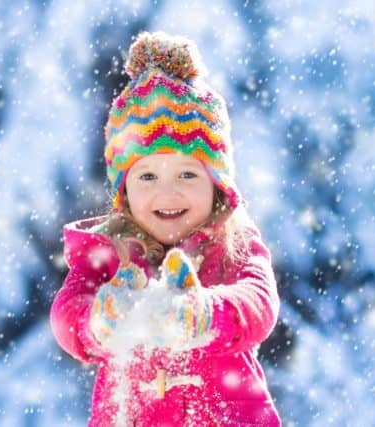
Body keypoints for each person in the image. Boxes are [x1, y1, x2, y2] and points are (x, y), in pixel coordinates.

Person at [50, 31, 281, 426]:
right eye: (148, 177)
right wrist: (99, 322)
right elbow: (66, 314)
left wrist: (206, 314)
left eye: (188, 173)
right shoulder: (107, 252)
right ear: (124, 190)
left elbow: (258, 303)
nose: (168, 192)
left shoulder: (234, 245)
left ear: (217, 185)